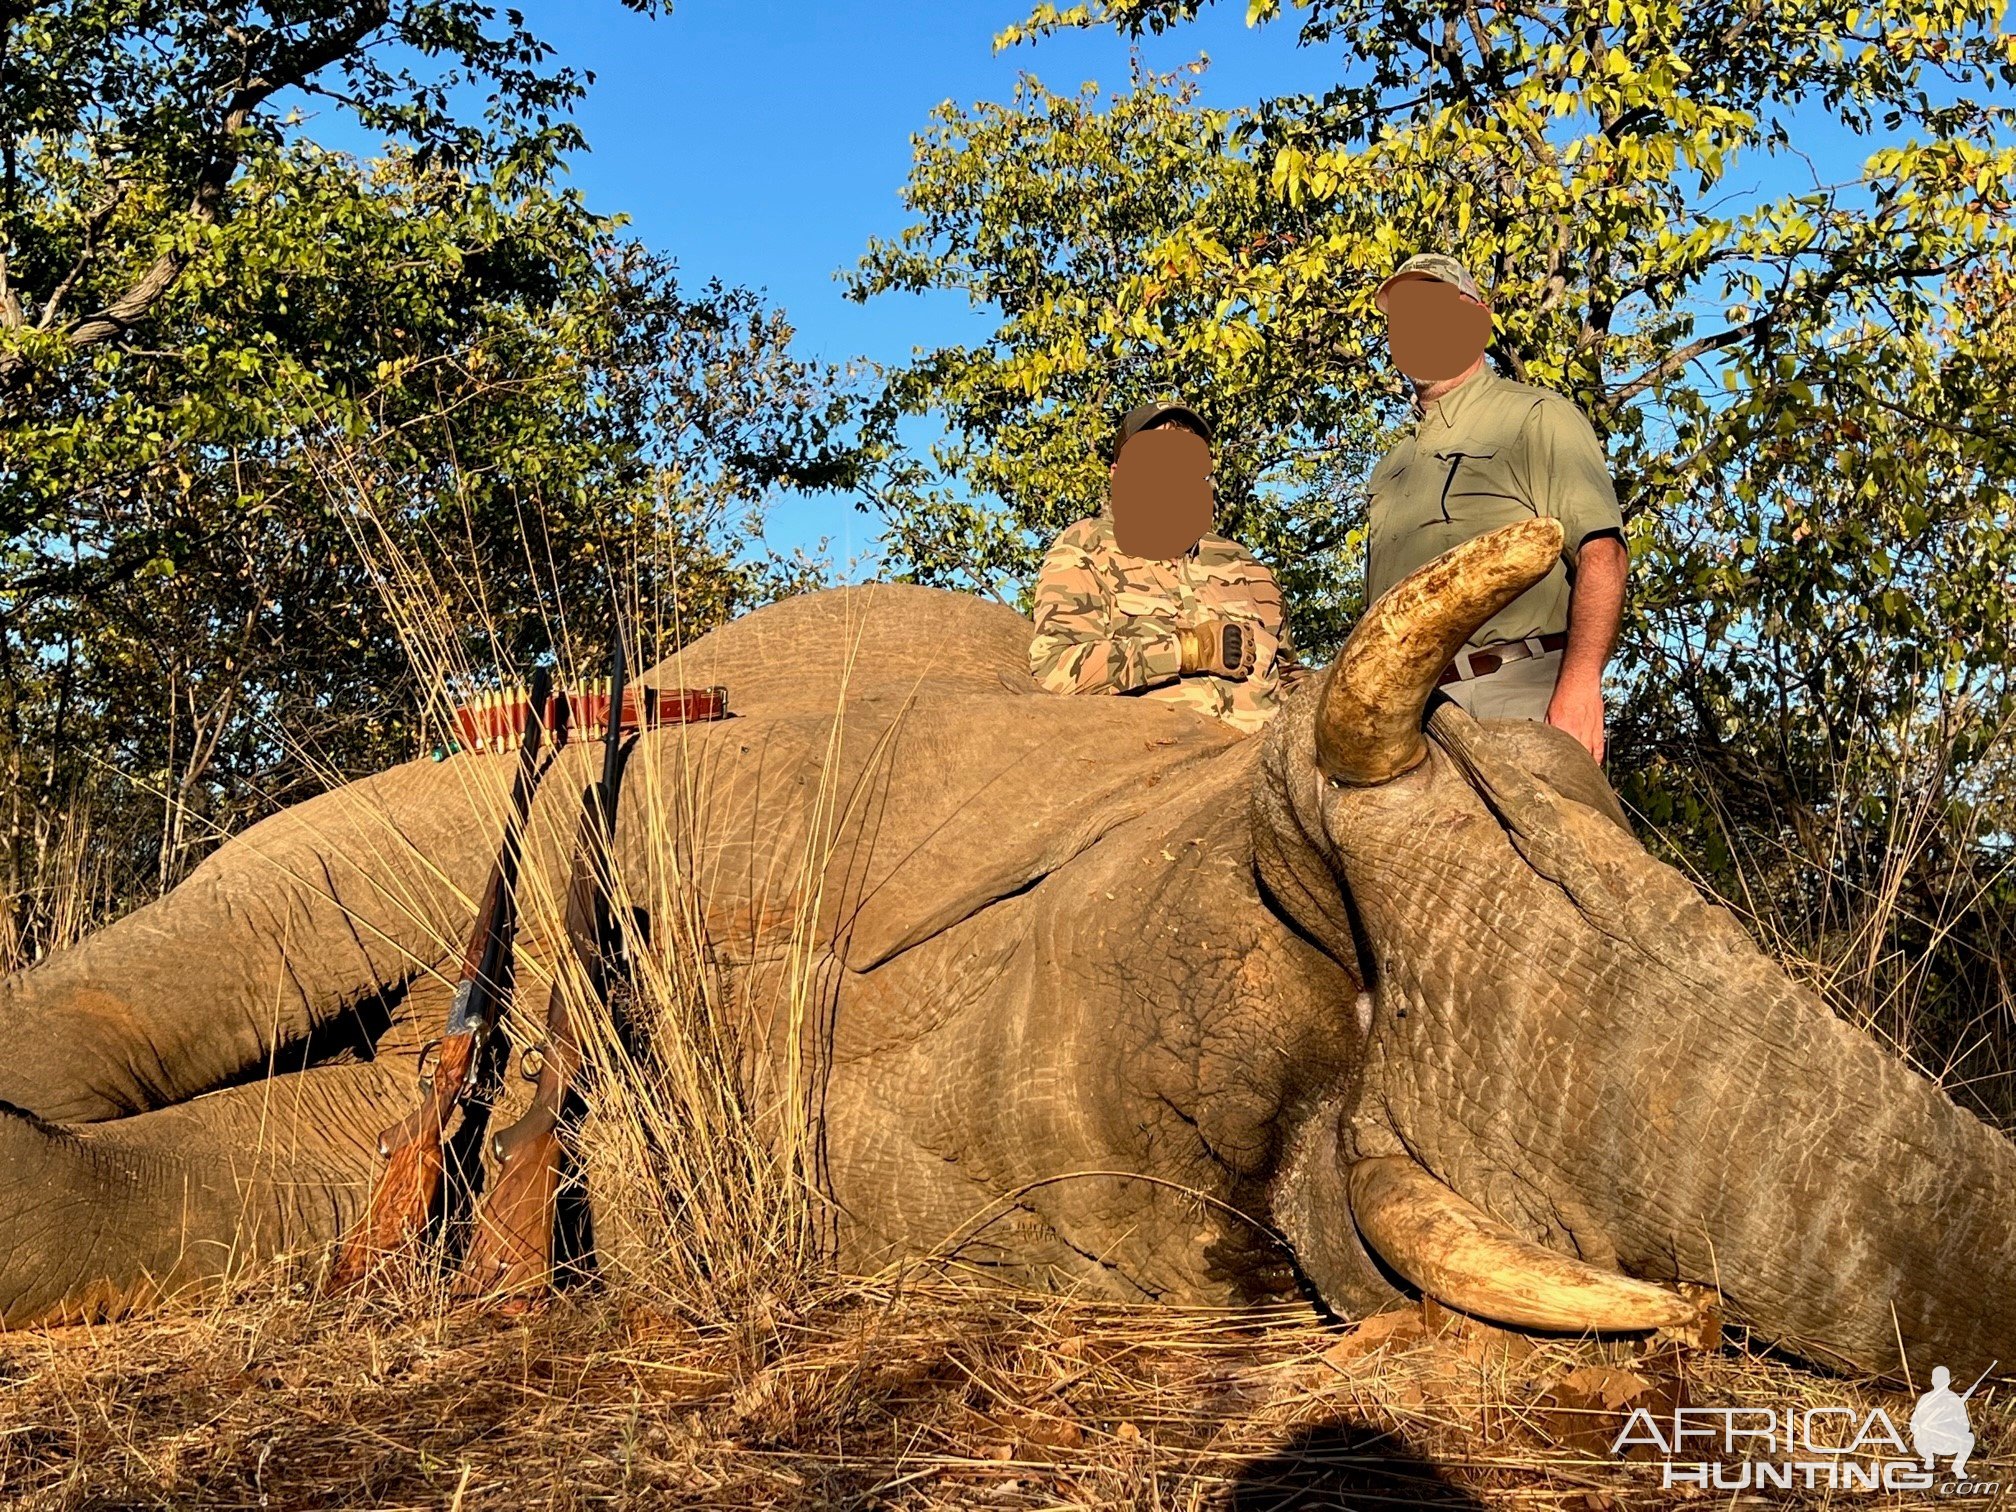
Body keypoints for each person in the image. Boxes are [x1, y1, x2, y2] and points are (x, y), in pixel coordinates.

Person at [1365, 253, 1629, 761]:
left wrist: (1579, 687)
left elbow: (1603, 555)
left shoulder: (1538, 416)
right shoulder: (1391, 467)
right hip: (1409, 722)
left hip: (1516, 699)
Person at [1029, 401, 1291, 735]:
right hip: (1157, 766)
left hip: (1264, 763)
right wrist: (1187, 651)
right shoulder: (1085, 546)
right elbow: (1056, 671)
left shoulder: (1245, 564)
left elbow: (1292, 680)